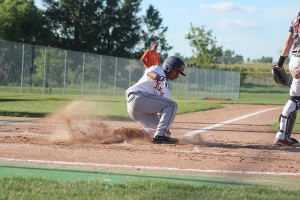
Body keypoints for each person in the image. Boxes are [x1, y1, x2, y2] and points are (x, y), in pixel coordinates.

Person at [126, 56, 186, 144]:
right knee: (172, 105)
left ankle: (127, 135)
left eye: (179, 73)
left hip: (138, 110)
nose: (177, 75)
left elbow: (162, 112)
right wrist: (162, 78)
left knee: (156, 131)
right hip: (138, 97)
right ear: (168, 68)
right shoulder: (158, 69)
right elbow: (151, 74)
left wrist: (166, 130)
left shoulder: (167, 89)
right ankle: (160, 136)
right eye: (177, 71)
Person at [274, 11, 300, 147]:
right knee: (296, 100)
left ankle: (283, 135)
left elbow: (287, 43)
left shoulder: (296, 20)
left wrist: (280, 64)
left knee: (295, 98)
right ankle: (283, 135)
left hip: (294, 60)